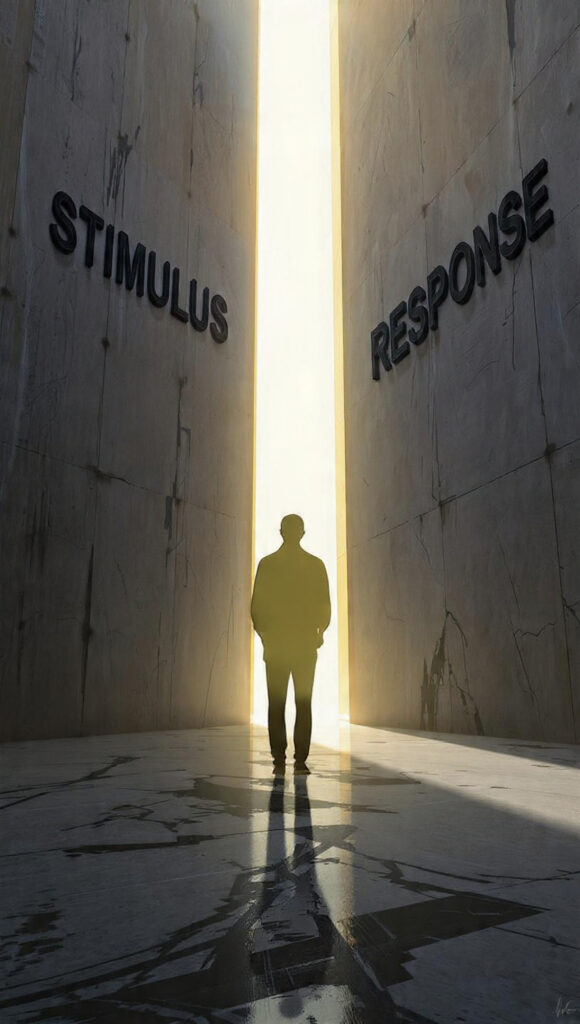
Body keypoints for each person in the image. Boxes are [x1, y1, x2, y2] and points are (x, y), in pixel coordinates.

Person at [251, 514, 331, 775]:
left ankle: (279, 760)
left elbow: (257, 607)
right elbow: (324, 605)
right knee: (303, 703)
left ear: (281, 532)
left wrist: (265, 635)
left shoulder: (267, 564)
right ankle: (300, 760)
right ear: (302, 533)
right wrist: (319, 632)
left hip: (277, 646)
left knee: (277, 703)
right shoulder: (315, 565)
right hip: (304, 645)